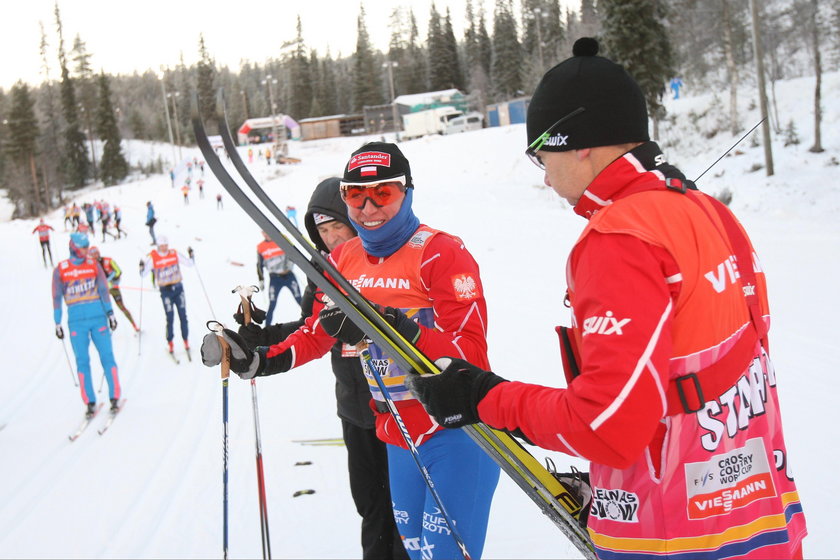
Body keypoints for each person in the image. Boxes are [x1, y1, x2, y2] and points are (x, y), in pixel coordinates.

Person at [406, 38, 807, 560]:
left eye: (541, 154)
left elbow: (607, 426)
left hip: (677, 539)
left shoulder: (617, 238)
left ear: (580, 142)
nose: (545, 176)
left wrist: (483, 397)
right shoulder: (708, 212)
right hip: (762, 523)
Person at [201, 143, 500, 560]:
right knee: (412, 552)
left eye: (383, 193)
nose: (367, 207)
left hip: (453, 435)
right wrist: (263, 360)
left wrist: (397, 327)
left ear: (407, 191)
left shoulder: (440, 251)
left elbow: (472, 355)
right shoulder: (344, 258)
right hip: (397, 436)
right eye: (354, 195)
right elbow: (316, 332)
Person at [233, 177, 408, 560]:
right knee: (370, 507)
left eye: (337, 228)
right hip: (354, 409)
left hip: (398, 408)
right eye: (323, 231)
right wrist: (258, 341)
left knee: (406, 514)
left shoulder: (387, 263)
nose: (331, 239)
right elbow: (311, 329)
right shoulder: (322, 270)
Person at [53, 233, 121, 416]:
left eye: (86, 247)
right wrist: (57, 322)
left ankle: (114, 396)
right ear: (74, 247)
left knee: (107, 356)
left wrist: (110, 313)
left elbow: (104, 290)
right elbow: (56, 296)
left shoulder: (93, 265)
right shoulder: (61, 269)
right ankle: (89, 401)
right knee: (82, 361)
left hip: (98, 318)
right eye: (83, 247)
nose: (85, 251)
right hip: (76, 322)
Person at [140, 235, 193, 355]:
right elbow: (143, 274)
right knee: (170, 318)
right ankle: (170, 343)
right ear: (158, 246)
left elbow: (190, 263)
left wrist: (191, 254)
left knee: (183, 316)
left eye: (165, 245)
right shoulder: (153, 257)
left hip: (178, 289)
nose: (164, 248)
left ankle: (186, 341)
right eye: (161, 246)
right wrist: (141, 266)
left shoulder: (174, 253)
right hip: (166, 292)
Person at [89, 246, 139, 332]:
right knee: (103, 310)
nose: (95, 256)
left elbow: (119, 271)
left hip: (113, 288)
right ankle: (105, 328)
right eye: (92, 254)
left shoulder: (108, 260)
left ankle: (134, 325)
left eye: (96, 253)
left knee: (122, 307)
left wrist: (112, 278)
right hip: (102, 291)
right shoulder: (89, 266)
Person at [256, 231, 302, 324]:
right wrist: (261, 280)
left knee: (300, 300)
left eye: (267, 231)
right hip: (275, 279)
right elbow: (259, 265)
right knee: (272, 304)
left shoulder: (281, 239)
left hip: (289, 276)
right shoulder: (261, 247)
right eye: (264, 232)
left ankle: (313, 319)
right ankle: (267, 328)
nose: (266, 234)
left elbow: (294, 252)